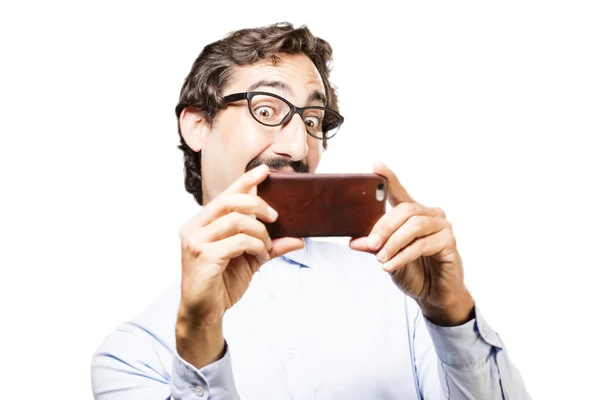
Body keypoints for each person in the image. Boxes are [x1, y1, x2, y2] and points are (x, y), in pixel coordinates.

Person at [91, 22, 530, 400]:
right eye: (267, 109)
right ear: (197, 125)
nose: (300, 147)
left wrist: (450, 312)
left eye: (314, 120)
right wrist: (201, 339)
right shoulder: (132, 355)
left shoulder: (405, 296)